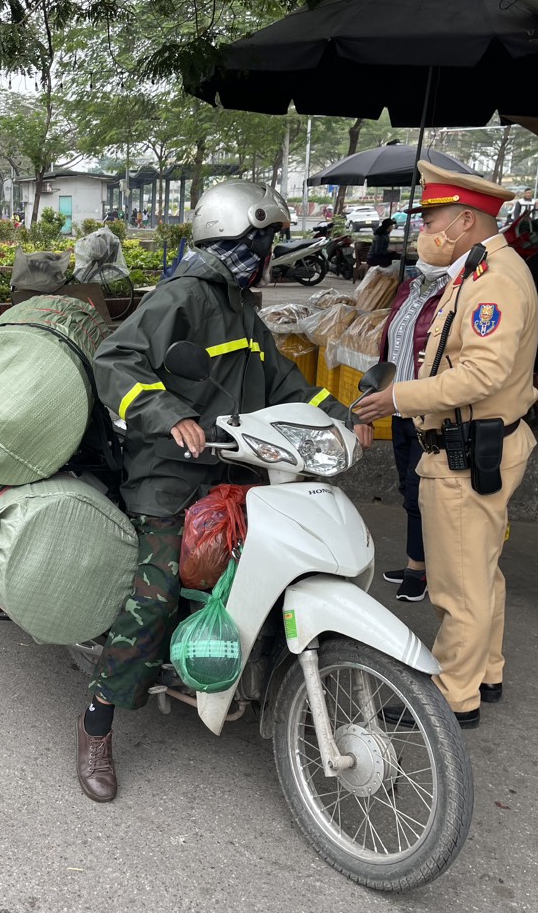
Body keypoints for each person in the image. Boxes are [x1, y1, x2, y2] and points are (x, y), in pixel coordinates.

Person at [77, 180, 373, 802]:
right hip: (168, 476)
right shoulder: (180, 298)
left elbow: (285, 381)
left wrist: (342, 417)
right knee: (154, 597)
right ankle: (99, 721)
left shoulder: (242, 308)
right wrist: (166, 415)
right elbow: (116, 359)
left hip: (234, 469)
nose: (268, 254)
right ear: (235, 239)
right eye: (262, 241)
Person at [355, 161, 538, 730]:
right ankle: (486, 669)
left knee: (458, 580)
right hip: (477, 441)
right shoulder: (478, 268)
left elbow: (481, 375)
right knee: (481, 568)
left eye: (428, 219)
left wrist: (398, 399)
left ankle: (453, 694)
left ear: (463, 222)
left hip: (465, 450)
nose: (420, 232)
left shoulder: (494, 282)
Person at [376, 260, 451, 603]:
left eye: (433, 225)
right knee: (408, 489)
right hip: (399, 405)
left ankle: (419, 569)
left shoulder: (454, 291)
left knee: (419, 490)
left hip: (428, 409)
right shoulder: (409, 287)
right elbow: (390, 345)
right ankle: (416, 562)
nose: (428, 235)